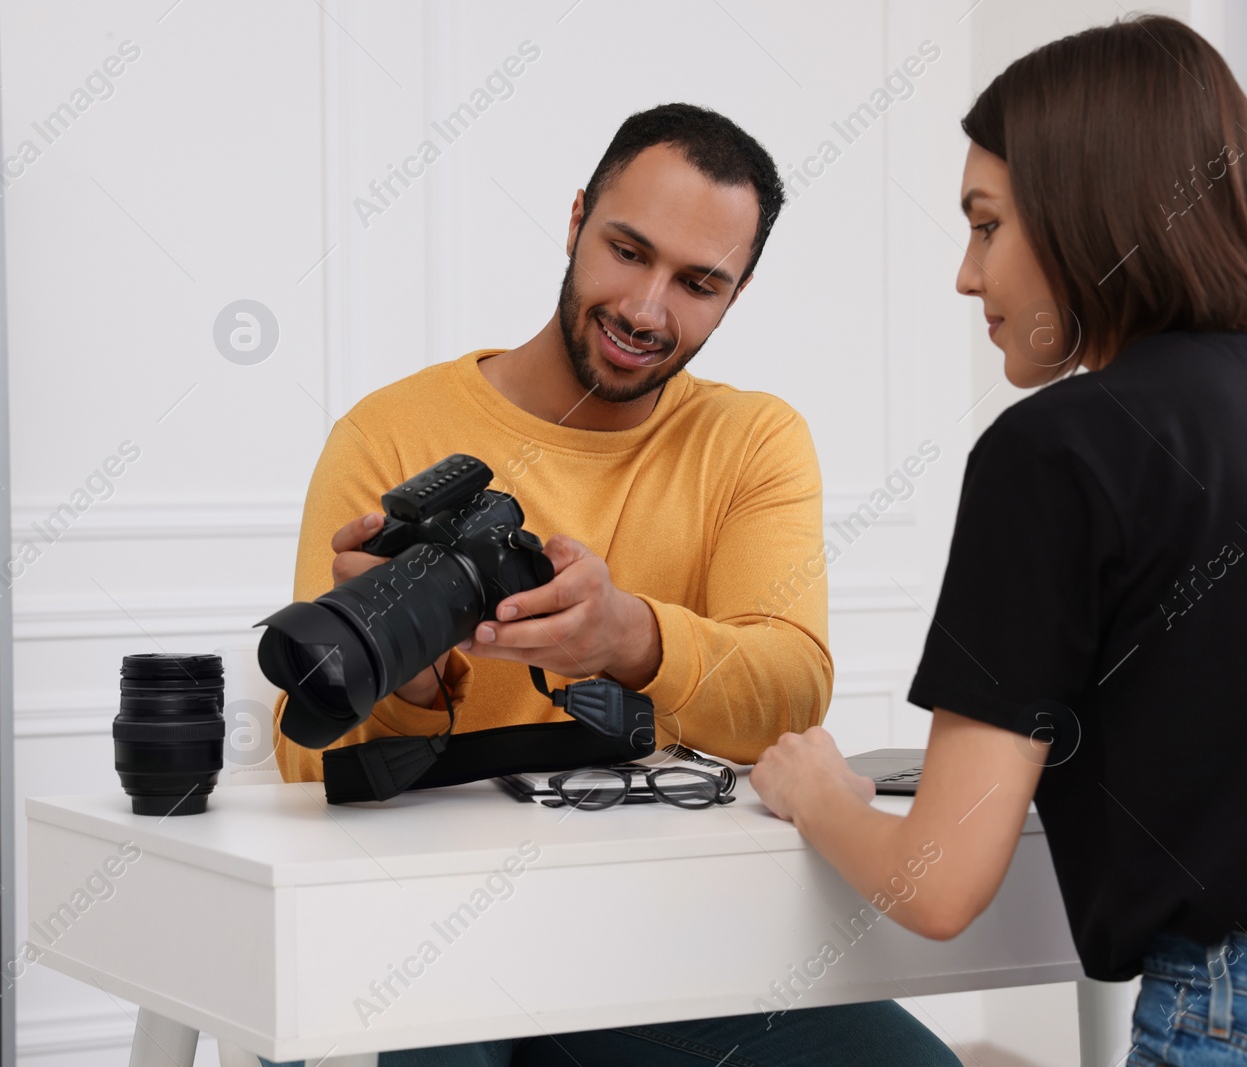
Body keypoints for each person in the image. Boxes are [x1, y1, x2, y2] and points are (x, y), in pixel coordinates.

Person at [266, 103, 957, 1066]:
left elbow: (790, 692)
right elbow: (308, 761)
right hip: (415, 934)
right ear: (577, 217)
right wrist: (413, 682)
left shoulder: (751, 441)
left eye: (698, 282)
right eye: (627, 251)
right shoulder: (389, 434)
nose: (645, 309)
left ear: (738, 293)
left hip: (652, 939)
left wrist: (629, 637)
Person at [750, 16, 1247, 1067]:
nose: (965, 277)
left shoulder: (1057, 450)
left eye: (985, 225)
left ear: (1083, 216)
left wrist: (818, 791)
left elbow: (937, 882)